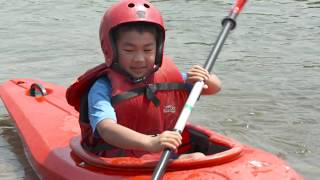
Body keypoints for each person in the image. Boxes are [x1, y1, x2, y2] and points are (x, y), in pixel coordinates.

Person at [66, 0, 221, 159]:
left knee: (198, 157)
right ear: (110, 49)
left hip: (161, 156)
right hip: (120, 162)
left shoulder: (168, 78)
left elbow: (214, 88)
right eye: (129, 50)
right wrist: (150, 142)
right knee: (196, 158)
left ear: (158, 48)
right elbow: (106, 129)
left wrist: (206, 78)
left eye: (148, 50)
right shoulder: (102, 87)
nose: (139, 59)